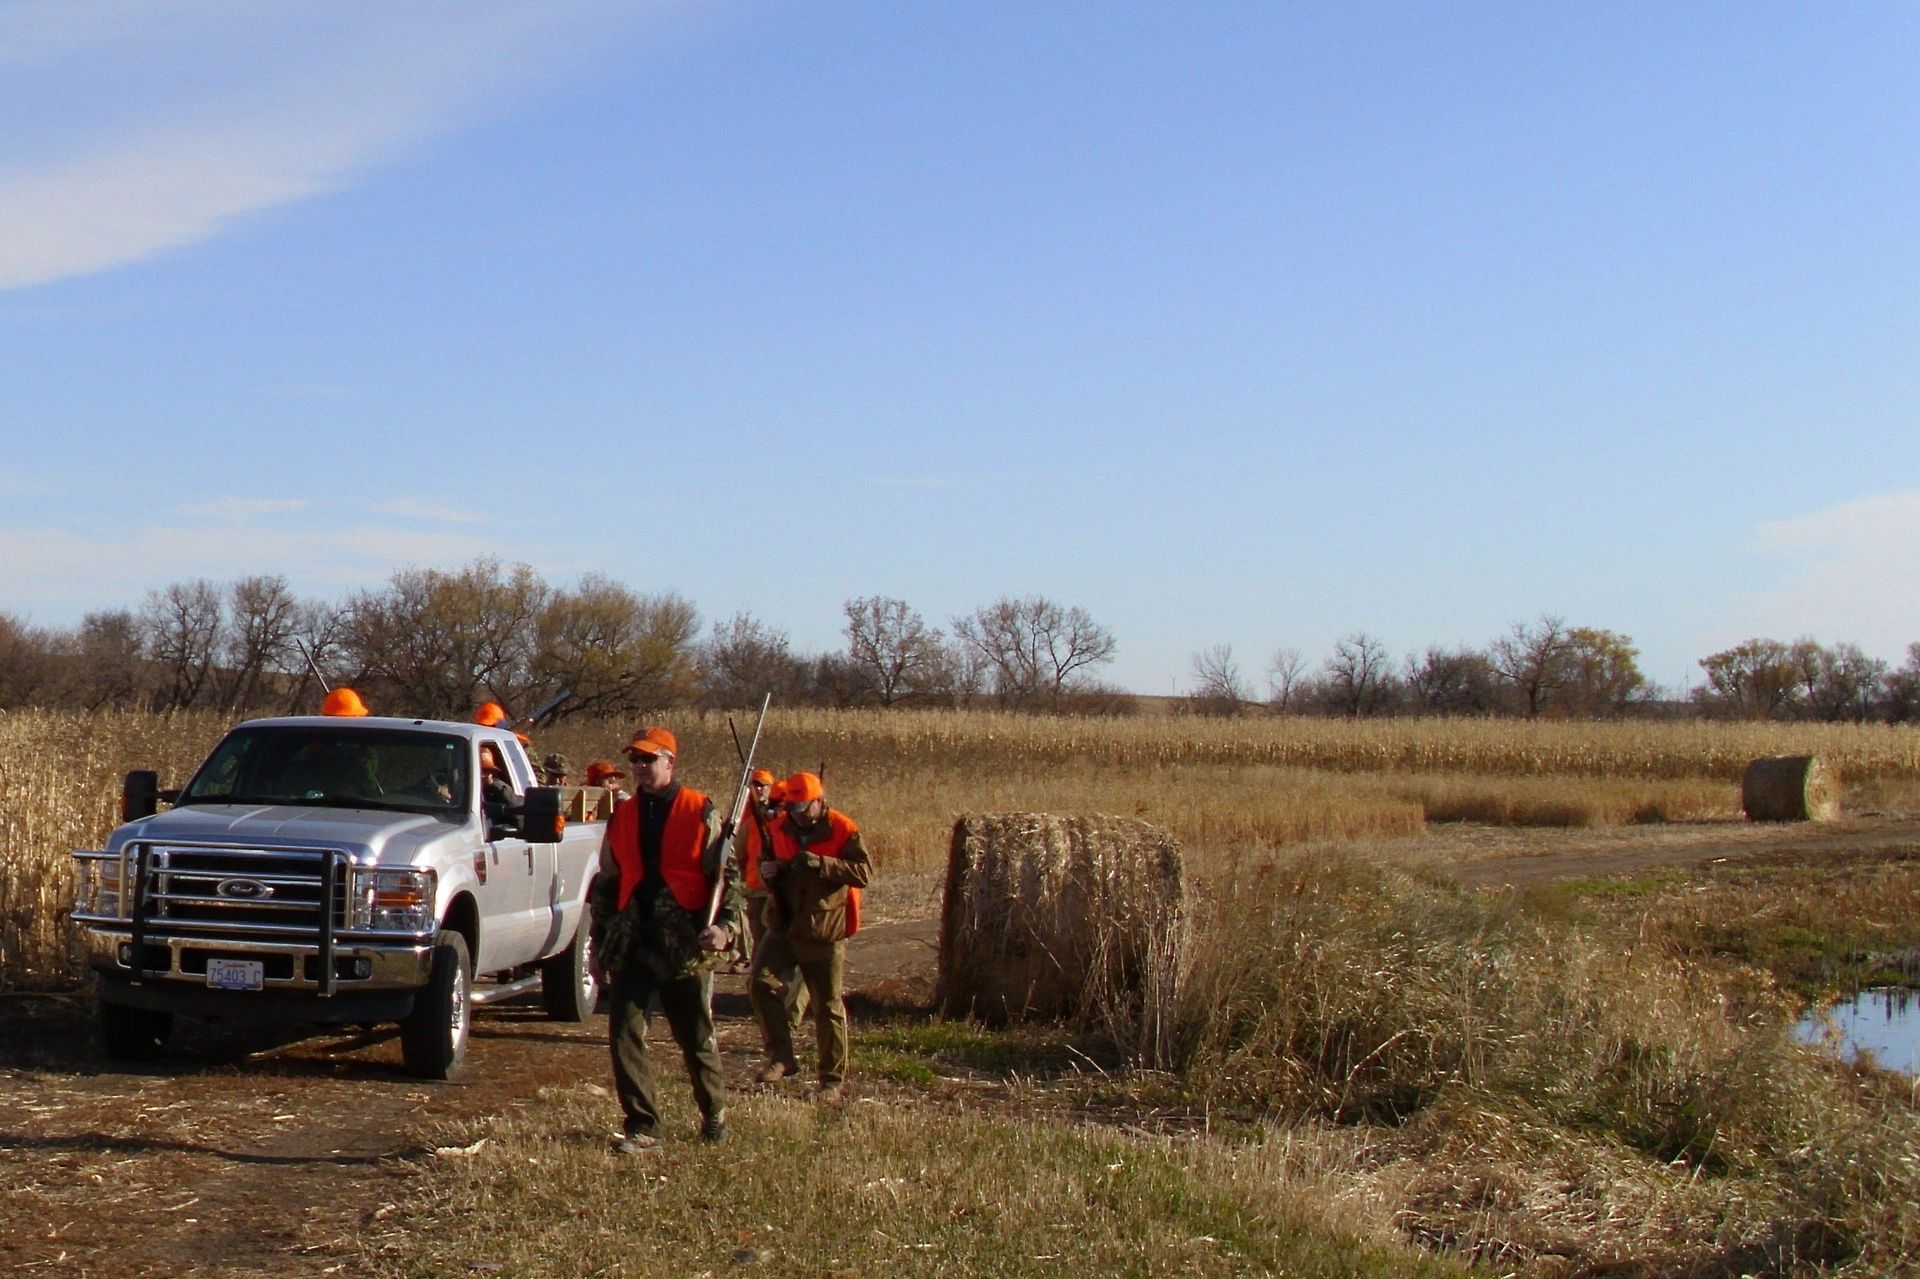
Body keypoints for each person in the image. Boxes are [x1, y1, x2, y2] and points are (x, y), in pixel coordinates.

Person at [587, 725, 741, 1151]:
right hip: (633, 938)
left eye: (647, 759)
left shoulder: (700, 810)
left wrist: (725, 928)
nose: (638, 766)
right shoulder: (623, 815)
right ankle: (643, 1125)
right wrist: (598, 943)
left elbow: (728, 878)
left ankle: (714, 1115)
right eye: (634, 759)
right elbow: (608, 881)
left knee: (695, 1035)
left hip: (684, 941)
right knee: (624, 1032)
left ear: (670, 763)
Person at [750, 771, 871, 1103]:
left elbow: (864, 872)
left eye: (803, 807)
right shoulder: (778, 827)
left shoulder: (844, 829)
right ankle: (781, 1057)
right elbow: (764, 860)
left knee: (827, 1005)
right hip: (784, 923)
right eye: (792, 807)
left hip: (823, 928)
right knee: (760, 983)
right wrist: (767, 869)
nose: (797, 814)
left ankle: (831, 1081)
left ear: (819, 801)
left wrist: (822, 863)